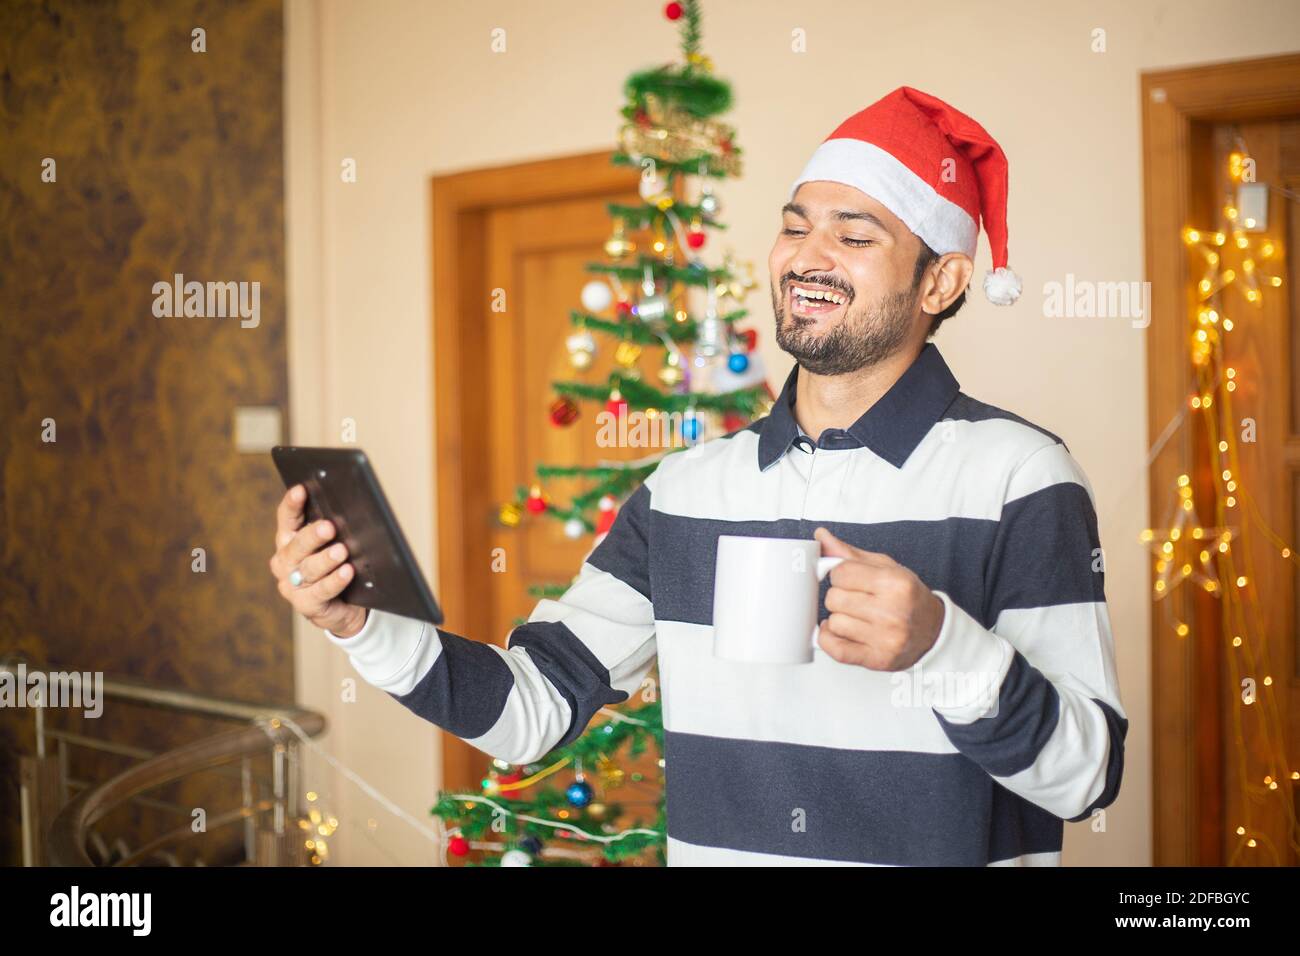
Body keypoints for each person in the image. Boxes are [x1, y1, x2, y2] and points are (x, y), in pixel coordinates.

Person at [269, 86, 1126, 866]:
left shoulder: (1021, 476)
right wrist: (360, 622)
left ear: (941, 279)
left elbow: (1086, 778)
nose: (808, 255)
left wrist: (942, 645)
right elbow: (531, 711)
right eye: (795, 226)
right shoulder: (684, 490)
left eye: (856, 235)